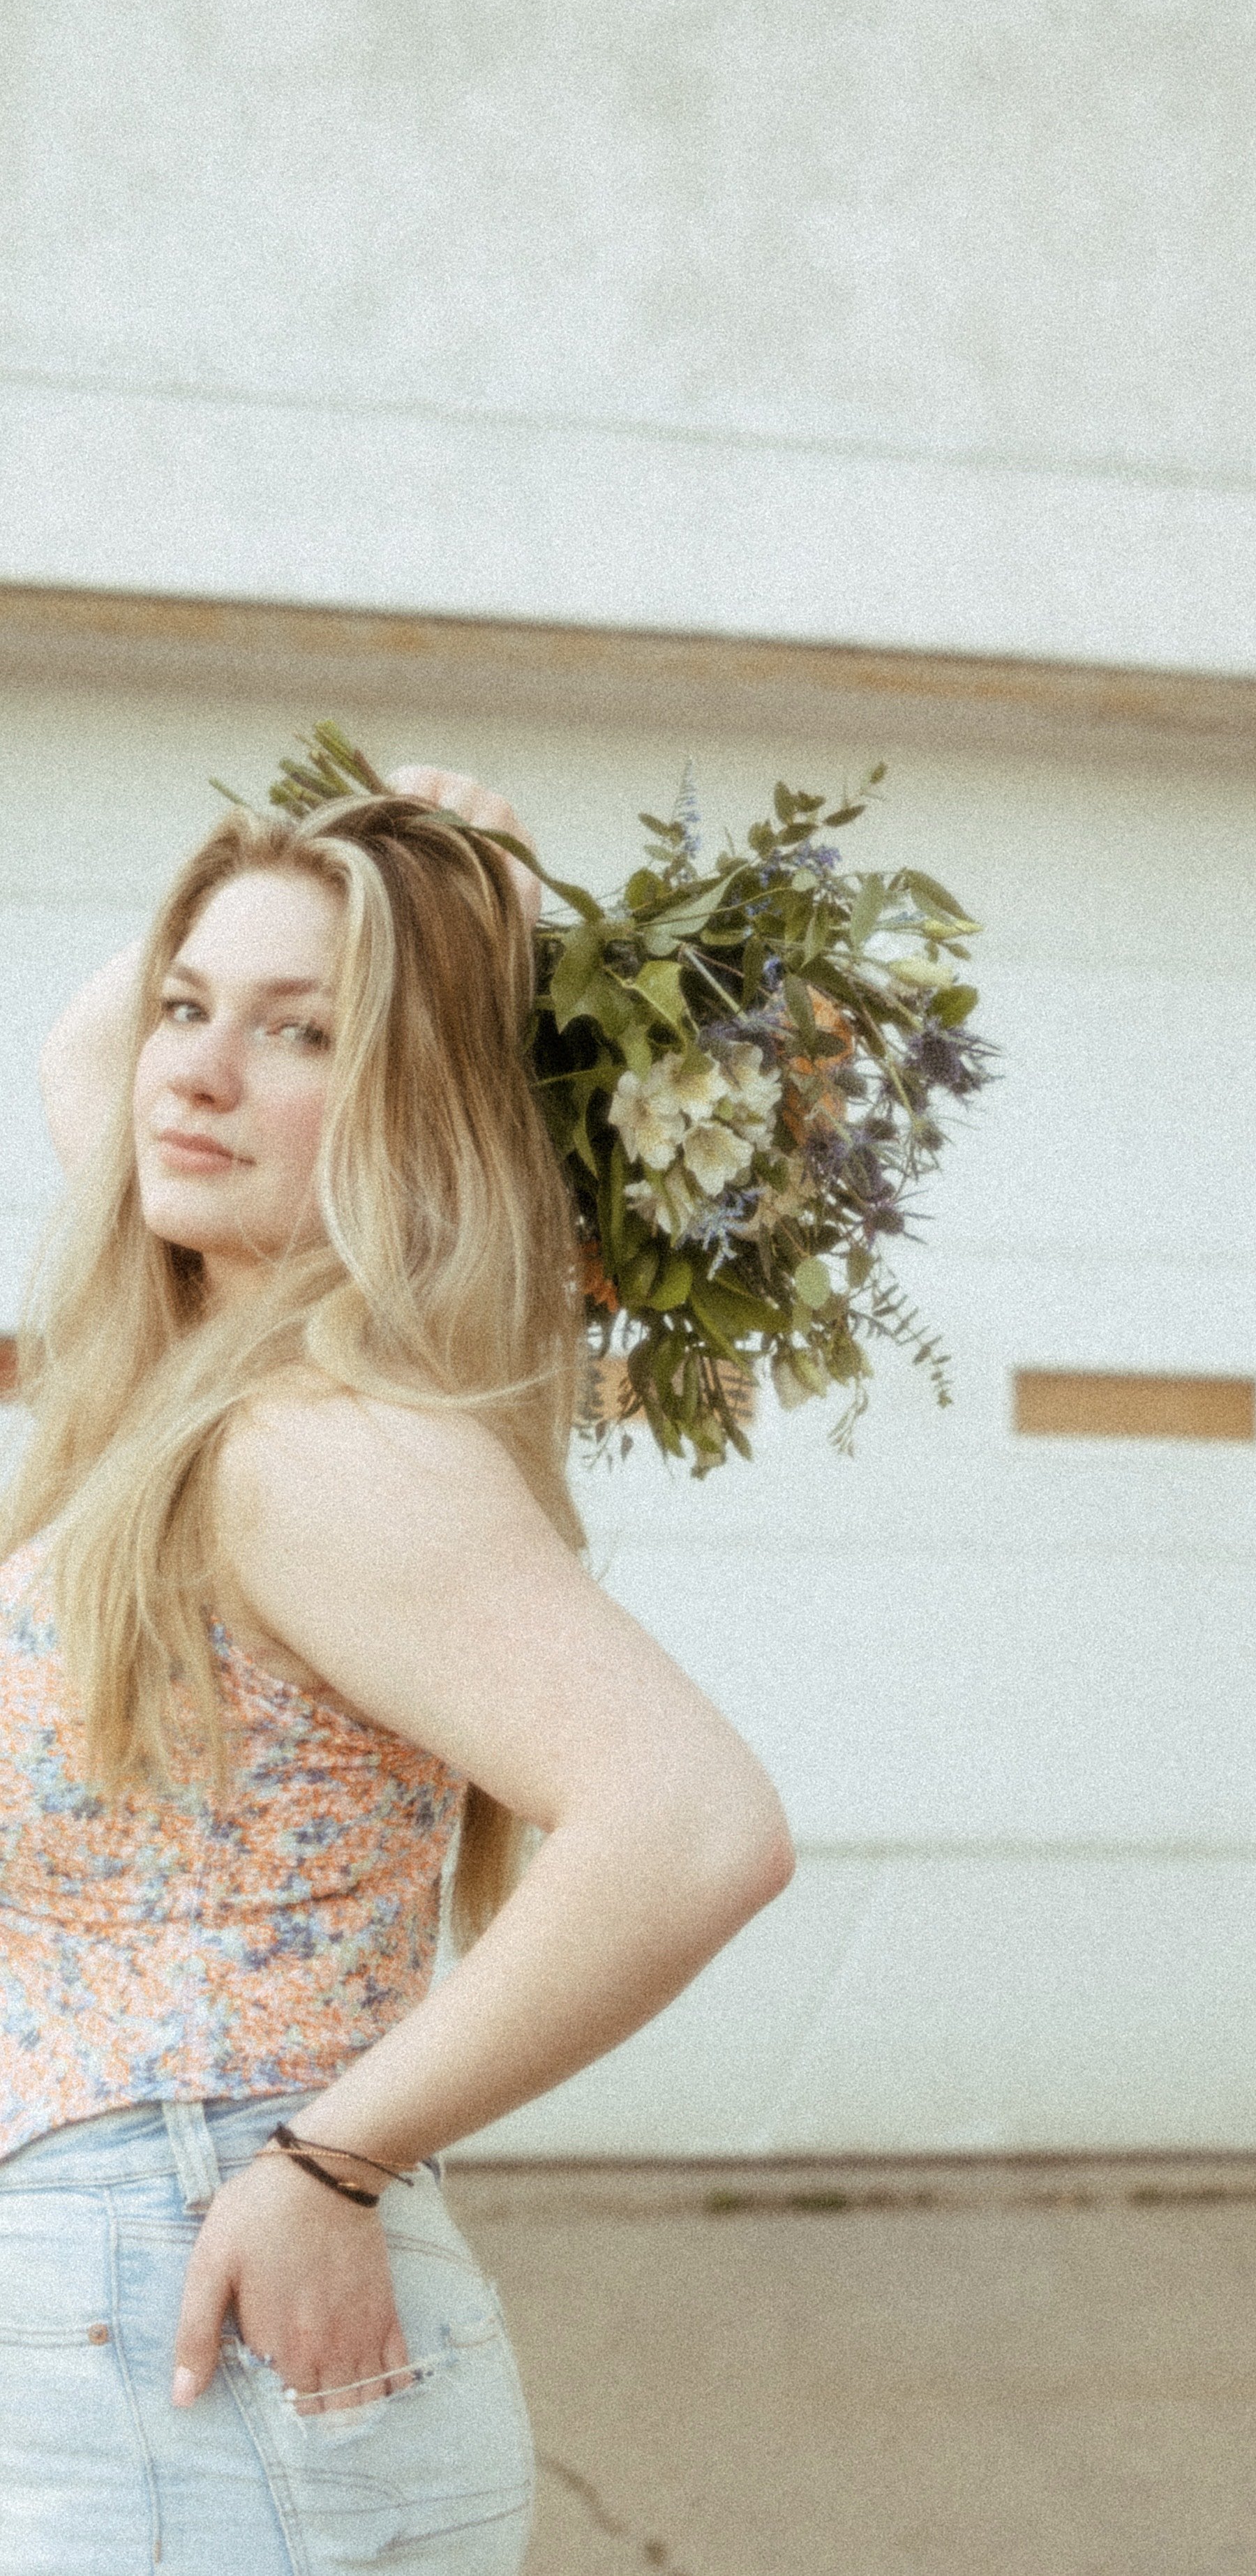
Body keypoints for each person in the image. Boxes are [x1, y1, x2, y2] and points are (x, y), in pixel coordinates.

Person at [0, 766, 794, 2575]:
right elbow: (86, 1051)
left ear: (409, 1109)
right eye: (191, 1009)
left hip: (211, 2333)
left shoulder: (319, 1445)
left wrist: (330, 2164)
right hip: (142, 2350)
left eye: (303, 1035)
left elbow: (690, 1827)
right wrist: (352, 840)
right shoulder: (189, 1371)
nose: (193, 1070)